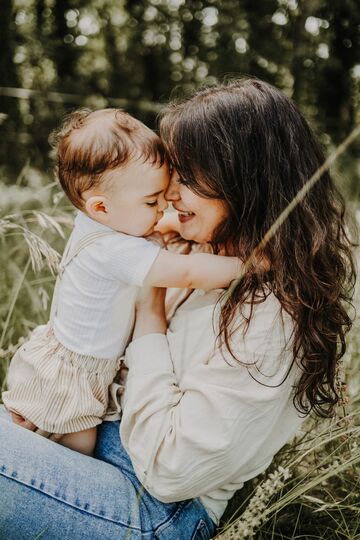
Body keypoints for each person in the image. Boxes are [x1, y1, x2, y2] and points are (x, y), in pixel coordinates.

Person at [0, 79, 354, 539]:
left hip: (155, 509)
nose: (169, 194)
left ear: (240, 181)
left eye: (185, 178)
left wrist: (151, 310)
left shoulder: (274, 311)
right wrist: (46, 417)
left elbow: (168, 473)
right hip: (94, 443)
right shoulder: (197, 245)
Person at [2, 108, 243, 456]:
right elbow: (189, 271)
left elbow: (154, 224)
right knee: (75, 452)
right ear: (101, 207)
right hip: (75, 376)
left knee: (46, 439)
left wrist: (168, 221)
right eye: (151, 201)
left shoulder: (102, 222)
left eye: (163, 197)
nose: (163, 209)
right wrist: (248, 264)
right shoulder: (113, 251)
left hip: (73, 359)